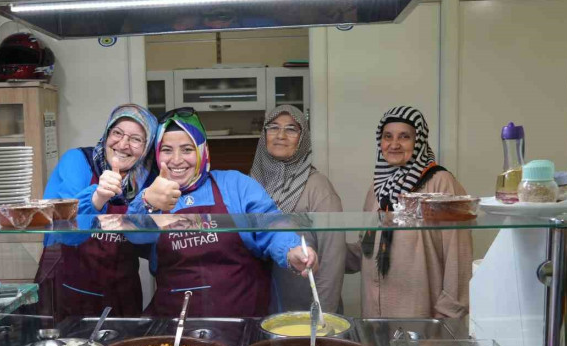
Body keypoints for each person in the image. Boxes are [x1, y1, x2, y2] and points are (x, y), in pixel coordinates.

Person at [130, 111, 318, 317]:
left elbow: (272, 224)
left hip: (242, 320)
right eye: (167, 150)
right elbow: (134, 235)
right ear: (157, 155)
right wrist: (147, 200)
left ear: (203, 151)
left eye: (187, 149)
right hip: (175, 325)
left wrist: (291, 249)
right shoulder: (153, 194)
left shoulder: (235, 184)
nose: (176, 160)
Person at [35, 104, 158, 322]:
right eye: (117, 133)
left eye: (136, 139)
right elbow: (67, 232)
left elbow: (149, 245)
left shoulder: (147, 179)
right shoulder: (77, 161)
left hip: (122, 295)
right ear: (107, 133)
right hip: (68, 291)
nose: (123, 144)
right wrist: (97, 198)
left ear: (147, 148)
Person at [348, 106, 472, 318]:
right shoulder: (377, 188)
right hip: (374, 313)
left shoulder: (441, 183)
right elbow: (367, 249)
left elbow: (458, 257)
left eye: (404, 136)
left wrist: (448, 315)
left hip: (422, 315)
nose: (394, 144)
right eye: (388, 136)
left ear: (418, 142)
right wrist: (323, 251)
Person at [250, 105, 346, 313]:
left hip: (307, 309)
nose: (280, 135)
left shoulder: (318, 187)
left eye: (291, 129)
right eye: (273, 127)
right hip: (261, 306)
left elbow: (332, 260)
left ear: (303, 139)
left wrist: (323, 316)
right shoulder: (251, 185)